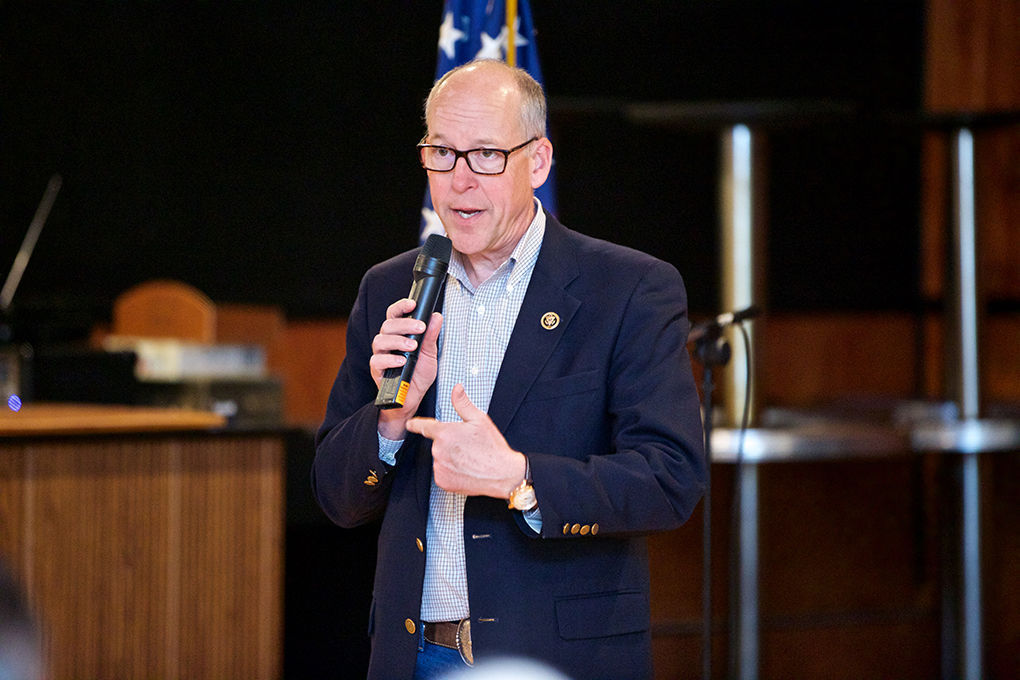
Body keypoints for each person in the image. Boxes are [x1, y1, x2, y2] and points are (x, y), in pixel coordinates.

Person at [313, 59, 706, 680]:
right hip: (411, 656)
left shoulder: (628, 289)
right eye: (441, 153)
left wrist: (520, 479)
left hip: (557, 657)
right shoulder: (392, 287)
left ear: (539, 162)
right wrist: (390, 419)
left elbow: (670, 480)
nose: (460, 180)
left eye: (486, 155)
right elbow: (336, 498)